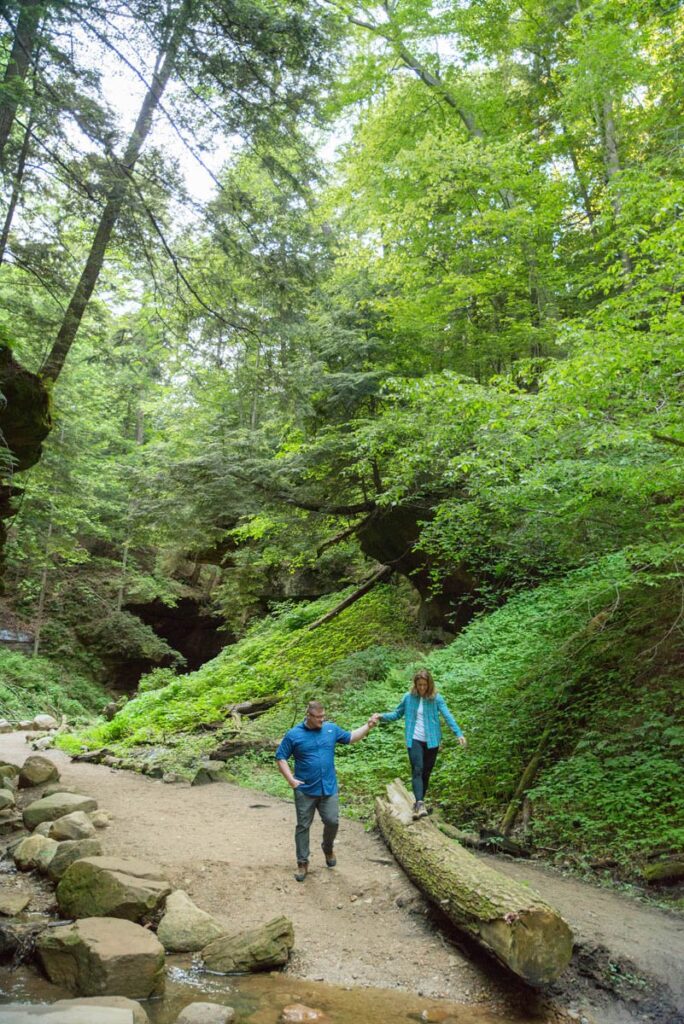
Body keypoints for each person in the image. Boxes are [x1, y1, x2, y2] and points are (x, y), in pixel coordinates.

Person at [275, 699, 377, 881]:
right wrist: (291, 780)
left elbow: (351, 737)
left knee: (332, 821)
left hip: (328, 788)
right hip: (305, 789)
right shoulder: (294, 735)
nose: (322, 720)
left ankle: (327, 848)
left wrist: (368, 726)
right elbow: (280, 757)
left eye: (323, 716)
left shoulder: (331, 729)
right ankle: (302, 863)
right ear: (308, 716)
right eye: (318, 717)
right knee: (303, 826)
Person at [372, 668, 466, 819]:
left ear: (429, 684)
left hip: (432, 741)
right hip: (414, 739)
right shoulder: (408, 697)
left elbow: (448, 716)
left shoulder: (436, 698)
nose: (422, 688)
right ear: (415, 684)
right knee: (417, 769)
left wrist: (458, 733)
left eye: (424, 685)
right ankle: (420, 803)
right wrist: (381, 716)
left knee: (426, 773)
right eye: (419, 685)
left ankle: (418, 803)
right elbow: (397, 713)